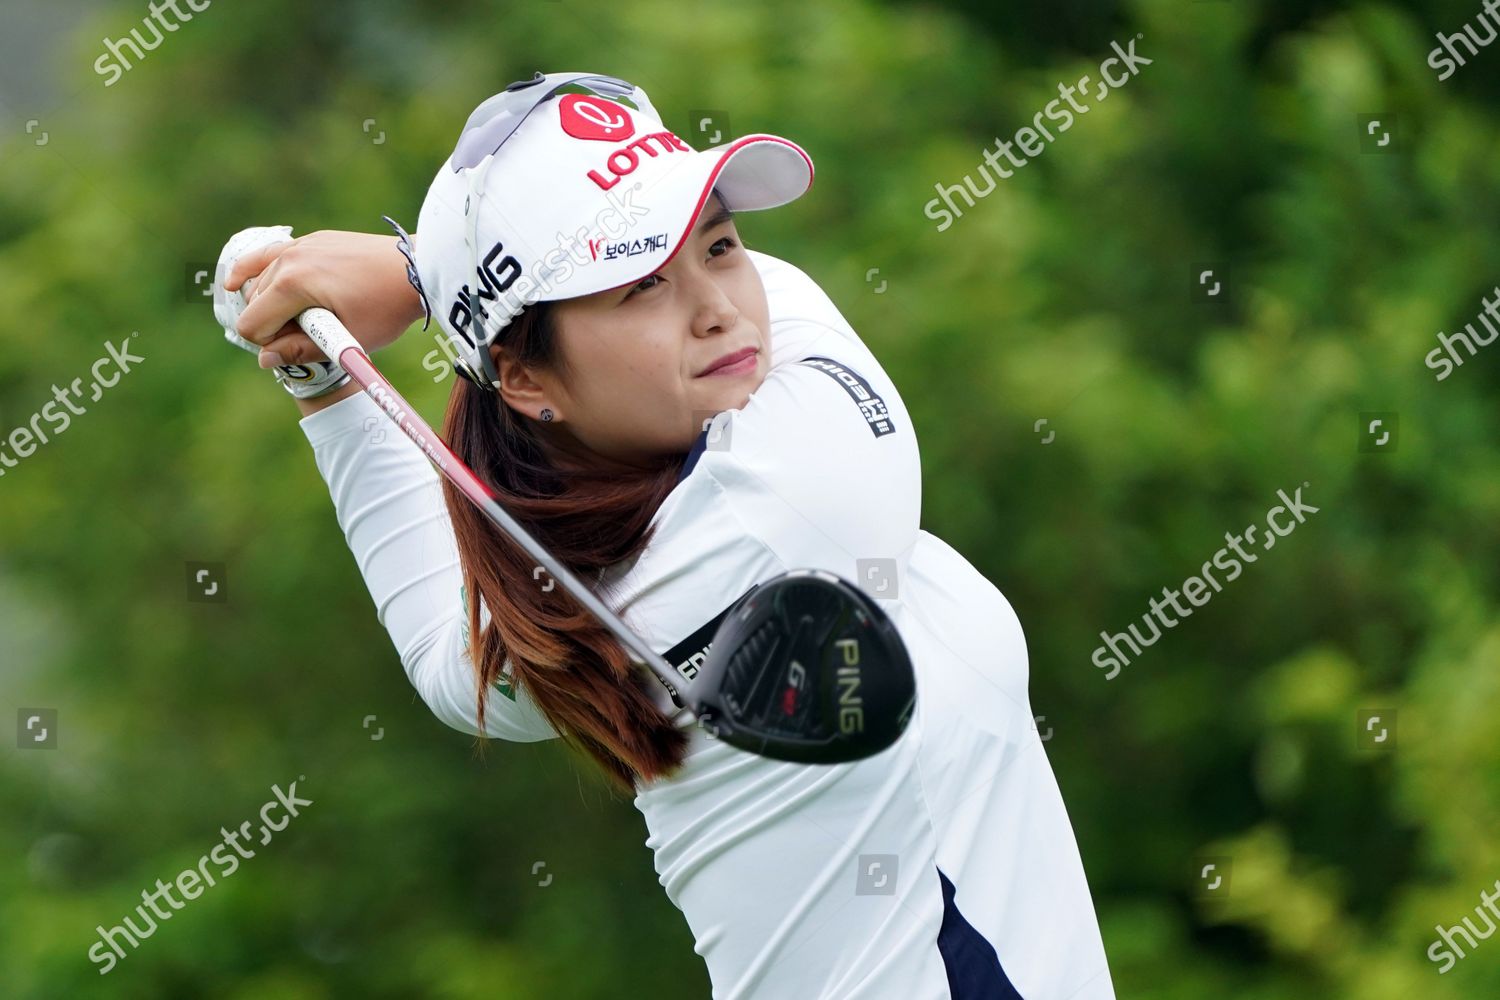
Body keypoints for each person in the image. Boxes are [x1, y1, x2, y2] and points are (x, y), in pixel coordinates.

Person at [216, 72, 1115, 1000]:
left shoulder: (574, 598)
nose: (717, 306)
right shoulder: (793, 498)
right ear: (526, 379)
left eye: (719, 244)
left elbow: (446, 662)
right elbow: (795, 304)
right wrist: (417, 276)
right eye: (639, 283)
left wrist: (324, 389)